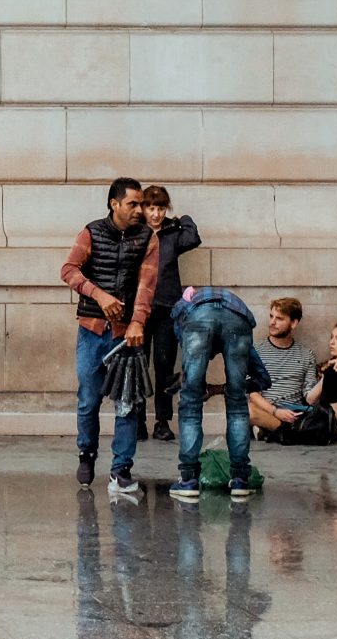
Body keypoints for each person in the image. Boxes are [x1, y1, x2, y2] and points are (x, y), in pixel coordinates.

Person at [60, 178, 160, 490]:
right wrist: (99, 296)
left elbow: (147, 285)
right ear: (114, 204)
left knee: (127, 403)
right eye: (133, 204)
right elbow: (69, 270)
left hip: (126, 333)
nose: (139, 210)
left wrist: (138, 322)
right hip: (91, 329)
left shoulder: (148, 238)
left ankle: (121, 469)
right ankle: (86, 453)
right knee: (88, 399)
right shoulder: (91, 231)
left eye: (141, 204)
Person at [169, 284, 259, 501]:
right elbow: (262, 377)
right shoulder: (231, 308)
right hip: (240, 320)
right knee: (238, 404)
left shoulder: (184, 307)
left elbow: (181, 333)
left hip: (198, 322)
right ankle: (240, 480)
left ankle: (188, 480)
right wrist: (232, 390)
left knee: (190, 402)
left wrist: (191, 379)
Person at [138, 185, 201, 443]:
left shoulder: (173, 233)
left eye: (160, 208)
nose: (155, 214)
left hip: (166, 308)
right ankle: (137, 421)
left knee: (165, 366)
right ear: (142, 209)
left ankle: (162, 421)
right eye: (151, 208)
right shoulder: (135, 234)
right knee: (138, 366)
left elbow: (193, 237)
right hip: (139, 309)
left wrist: (182, 219)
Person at [247, 297, 318, 437]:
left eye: (279, 318)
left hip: (295, 412)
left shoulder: (307, 354)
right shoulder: (255, 351)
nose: (272, 322)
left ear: (293, 323)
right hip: (267, 408)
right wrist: (275, 411)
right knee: (246, 410)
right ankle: (292, 432)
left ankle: (274, 430)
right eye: (271, 316)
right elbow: (253, 393)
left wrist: (325, 378)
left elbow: (309, 396)